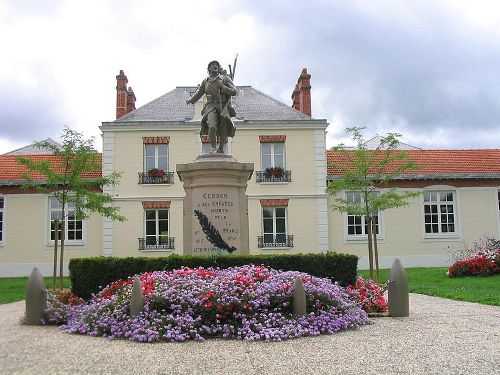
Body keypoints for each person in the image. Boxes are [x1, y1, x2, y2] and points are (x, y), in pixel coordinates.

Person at [186, 60, 237, 154]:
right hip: (210, 106)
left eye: (217, 65)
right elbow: (199, 92)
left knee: (223, 126)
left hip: (223, 105)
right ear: (209, 69)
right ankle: (213, 148)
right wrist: (191, 100)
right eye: (213, 65)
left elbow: (234, 91)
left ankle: (221, 148)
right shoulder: (205, 81)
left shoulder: (225, 78)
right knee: (212, 126)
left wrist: (222, 87)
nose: (215, 66)